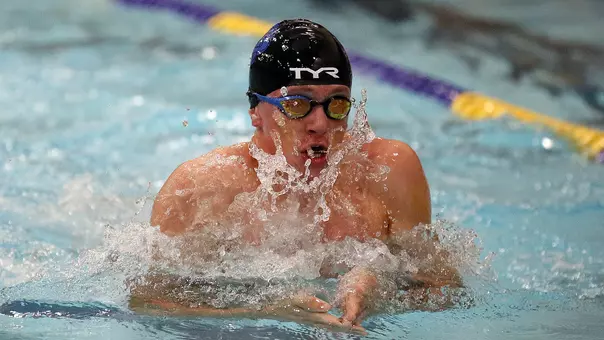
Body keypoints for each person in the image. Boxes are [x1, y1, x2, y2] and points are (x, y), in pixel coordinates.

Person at [130, 18, 462, 335]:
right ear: (255, 112)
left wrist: (379, 288)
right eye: (296, 103)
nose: (320, 123)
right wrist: (269, 310)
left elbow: (446, 292)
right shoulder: (204, 186)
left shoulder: (387, 170)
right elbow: (148, 304)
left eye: (336, 104)